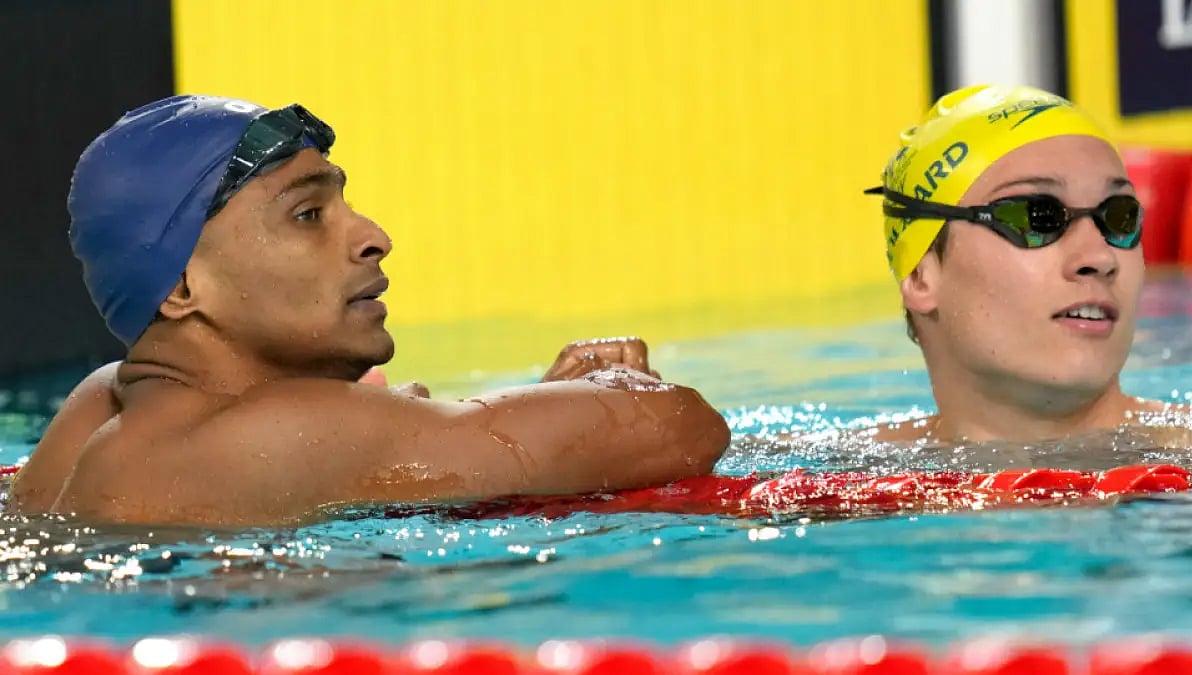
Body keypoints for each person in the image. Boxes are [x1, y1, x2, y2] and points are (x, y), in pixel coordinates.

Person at [6, 95, 730, 526]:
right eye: (308, 215)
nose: (373, 238)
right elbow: (680, 426)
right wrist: (613, 390)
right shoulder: (279, 430)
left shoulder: (101, 404)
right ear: (182, 287)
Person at [860, 83, 1192, 445]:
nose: (1100, 258)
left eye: (1120, 216)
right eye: (1036, 218)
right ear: (920, 275)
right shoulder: (832, 485)